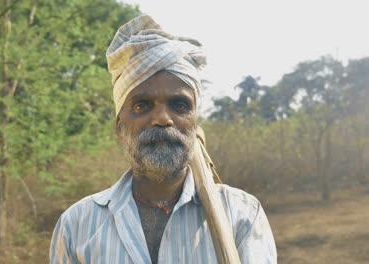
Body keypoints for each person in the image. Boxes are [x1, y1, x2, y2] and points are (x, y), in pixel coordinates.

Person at [49, 14, 277, 264]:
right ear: (119, 127)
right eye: (142, 106)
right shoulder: (77, 227)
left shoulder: (241, 216)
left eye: (179, 105)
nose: (162, 119)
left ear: (194, 123)